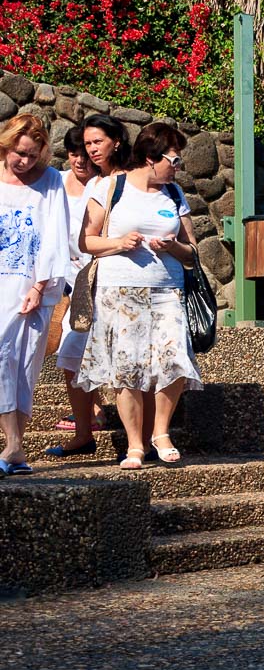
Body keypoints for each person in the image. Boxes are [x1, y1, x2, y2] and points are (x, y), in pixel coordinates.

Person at [76, 123, 200, 470]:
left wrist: (173, 246)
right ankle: (134, 446)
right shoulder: (111, 187)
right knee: (127, 369)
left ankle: (160, 432)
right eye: (173, 160)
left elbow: (191, 253)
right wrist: (118, 242)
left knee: (175, 361)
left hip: (167, 290)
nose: (177, 167)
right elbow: (86, 241)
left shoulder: (174, 194)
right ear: (151, 157)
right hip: (119, 291)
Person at [0, 114, 69, 475]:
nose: (23, 161)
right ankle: (13, 445)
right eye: (18, 152)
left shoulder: (51, 181)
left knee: (24, 364)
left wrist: (40, 286)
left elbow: (56, 235)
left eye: (31, 155)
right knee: (0, 358)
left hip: (32, 286)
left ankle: (16, 449)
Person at [46, 124, 106, 457]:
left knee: (77, 342)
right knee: (70, 345)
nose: (79, 161)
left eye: (84, 154)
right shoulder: (57, 180)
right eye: (73, 154)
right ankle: (90, 411)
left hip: (93, 272)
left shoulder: (102, 183)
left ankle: (91, 415)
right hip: (65, 271)